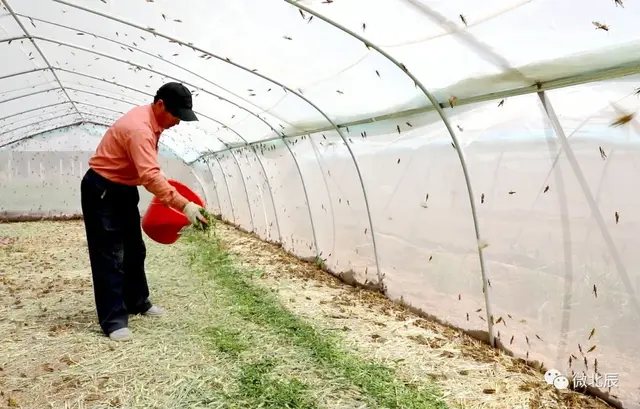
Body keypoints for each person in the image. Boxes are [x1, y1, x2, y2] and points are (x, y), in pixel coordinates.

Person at [80, 82, 208, 342]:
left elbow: (146, 172)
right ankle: (113, 320)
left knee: (134, 248)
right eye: (176, 115)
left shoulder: (153, 123)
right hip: (102, 189)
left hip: (124, 187)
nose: (178, 122)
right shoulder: (139, 128)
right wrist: (185, 205)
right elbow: (150, 176)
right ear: (160, 105)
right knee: (110, 255)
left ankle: (138, 302)